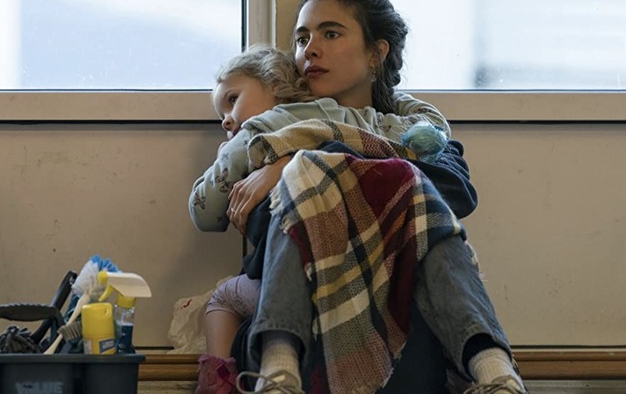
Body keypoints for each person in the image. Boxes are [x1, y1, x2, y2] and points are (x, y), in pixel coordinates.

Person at [218, 0, 528, 394]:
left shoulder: (415, 130)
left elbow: (455, 192)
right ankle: (277, 375)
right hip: (299, 314)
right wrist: (292, 166)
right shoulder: (275, 132)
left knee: (412, 187)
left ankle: (495, 375)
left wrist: (313, 160)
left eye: (330, 33)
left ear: (375, 54)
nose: (310, 49)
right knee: (380, 182)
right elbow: (257, 227)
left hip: (398, 320)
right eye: (302, 37)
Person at [191, 41, 453, 392]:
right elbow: (428, 131)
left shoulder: (255, 133)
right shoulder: (344, 116)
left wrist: (225, 157)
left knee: (222, 298)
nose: (226, 119)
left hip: (296, 289)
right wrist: (395, 97)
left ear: (272, 84)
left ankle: (219, 383)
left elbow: (204, 211)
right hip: (374, 281)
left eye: (232, 99)